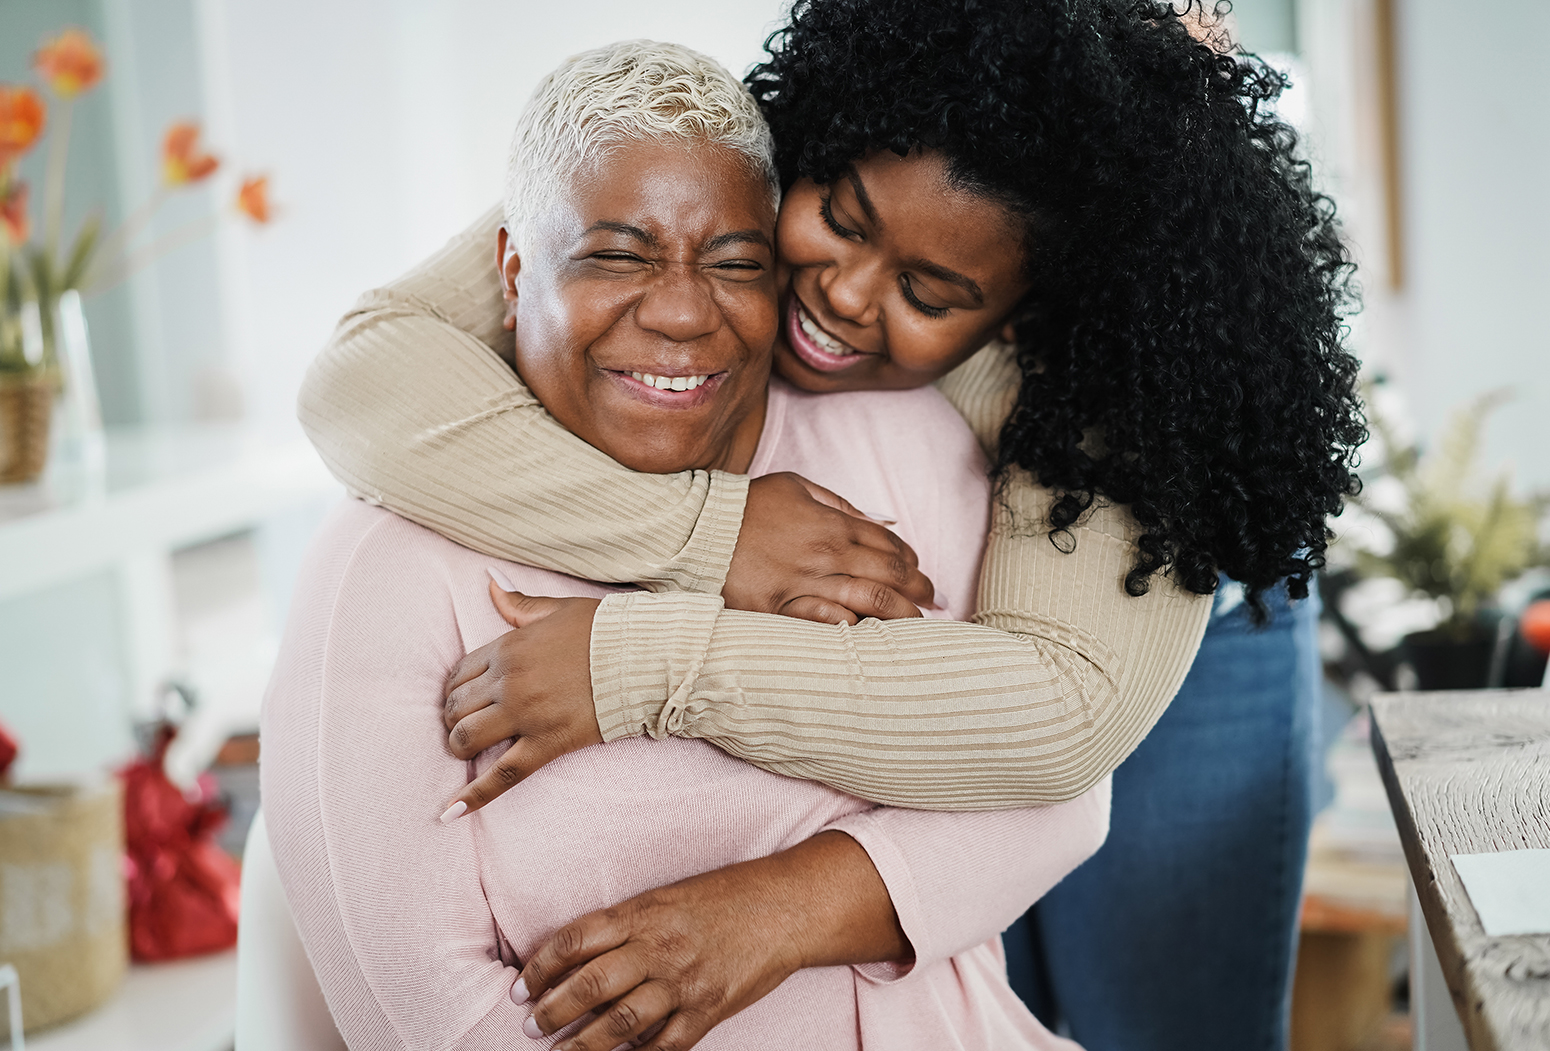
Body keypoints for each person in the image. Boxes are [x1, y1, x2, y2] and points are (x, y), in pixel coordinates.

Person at [298, 1, 1365, 1046]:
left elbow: (1056, 726)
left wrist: (636, 665)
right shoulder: (752, 161)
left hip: (1144, 628)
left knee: (1165, 1018)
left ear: (1027, 314)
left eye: (929, 289)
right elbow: (363, 373)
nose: (843, 295)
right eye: (841, 220)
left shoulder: (1121, 365)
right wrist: (710, 535)